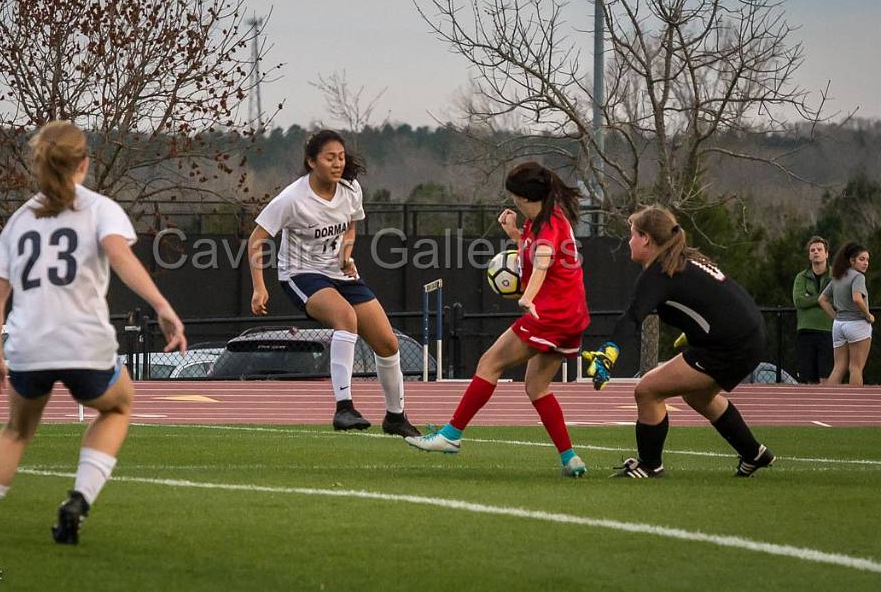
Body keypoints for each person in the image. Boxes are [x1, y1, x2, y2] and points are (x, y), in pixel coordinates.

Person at [0, 121, 186, 544]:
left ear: (39, 165)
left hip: (28, 345)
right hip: (84, 343)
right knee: (117, 407)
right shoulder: (99, 208)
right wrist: (162, 305)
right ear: (84, 163)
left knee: (16, 432)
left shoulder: (19, 220)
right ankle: (79, 499)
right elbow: (120, 258)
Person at [405, 162, 590, 478]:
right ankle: (570, 458)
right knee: (537, 387)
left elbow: (543, 261)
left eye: (514, 196)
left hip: (549, 315)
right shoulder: (544, 218)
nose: (512, 202)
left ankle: (451, 436)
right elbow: (536, 253)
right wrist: (516, 234)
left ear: (524, 197)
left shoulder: (547, 227)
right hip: (572, 318)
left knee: (489, 363)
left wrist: (528, 296)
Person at [247, 129, 419, 437]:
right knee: (345, 318)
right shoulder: (292, 199)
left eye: (341, 157)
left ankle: (395, 417)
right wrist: (260, 286)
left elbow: (350, 228)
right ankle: (344, 408)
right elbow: (257, 239)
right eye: (329, 158)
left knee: (387, 342)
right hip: (301, 274)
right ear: (311, 161)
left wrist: (346, 255)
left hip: (340, 273)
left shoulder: (351, 188)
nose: (337, 163)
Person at [585, 205, 775, 478]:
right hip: (747, 335)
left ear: (647, 239)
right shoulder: (687, 258)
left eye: (632, 235)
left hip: (729, 345)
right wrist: (699, 329)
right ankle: (753, 452)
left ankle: (650, 465)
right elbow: (721, 297)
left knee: (647, 390)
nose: (629, 241)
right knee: (698, 395)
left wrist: (608, 353)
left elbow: (631, 318)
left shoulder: (659, 272)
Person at [819, 243, 873, 386]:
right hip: (857, 324)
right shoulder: (858, 277)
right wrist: (868, 315)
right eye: (862, 259)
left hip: (839, 325)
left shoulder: (838, 276)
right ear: (852, 260)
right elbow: (857, 298)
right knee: (856, 368)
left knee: (838, 368)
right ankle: (856, 405)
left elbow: (822, 299)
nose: (866, 263)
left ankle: (827, 402)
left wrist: (835, 317)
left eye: (867, 260)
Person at [792, 236, 833, 384]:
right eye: (812, 250)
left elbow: (838, 301)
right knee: (806, 379)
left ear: (827, 254)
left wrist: (812, 297)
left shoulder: (835, 275)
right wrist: (823, 298)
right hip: (805, 331)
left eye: (819, 249)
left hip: (829, 331)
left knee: (826, 377)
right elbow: (799, 301)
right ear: (809, 255)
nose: (816, 252)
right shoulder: (801, 277)